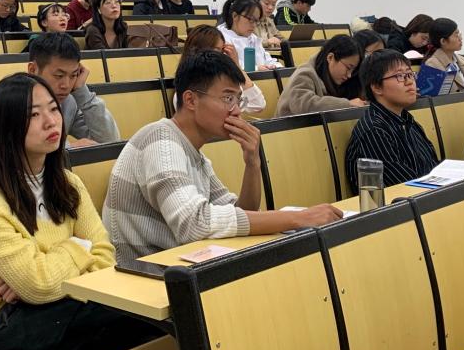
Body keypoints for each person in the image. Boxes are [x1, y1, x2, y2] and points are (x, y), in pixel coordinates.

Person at [0, 73, 156, 350]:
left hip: (70, 319)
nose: (51, 121)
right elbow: (37, 284)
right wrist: (78, 247)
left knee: (150, 338)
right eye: (33, 115)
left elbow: (105, 258)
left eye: (53, 109)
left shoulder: (68, 183)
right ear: (6, 126)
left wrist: (43, 280)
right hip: (8, 333)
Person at [103, 51, 342, 263]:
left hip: (179, 267)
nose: (236, 110)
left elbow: (240, 212)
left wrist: (252, 163)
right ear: (190, 100)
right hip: (141, 276)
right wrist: (297, 218)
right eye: (228, 98)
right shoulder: (160, 141)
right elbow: (194, 224)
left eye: (238, 99)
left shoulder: (195, 154)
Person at [0, 32, 120, 162]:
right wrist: (68, 149)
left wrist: (82, 92)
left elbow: (109, 141)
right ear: (32, 70)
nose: (66, 85)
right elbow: (0, 151)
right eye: (59, 75)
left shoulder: (69, 99)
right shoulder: (6, 96)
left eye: (73, 75)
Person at [345, 49, 438, 193]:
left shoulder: (408, 122)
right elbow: (404, 188)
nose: (409, 82)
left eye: (410, 74)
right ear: (377, 87)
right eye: (399, 76)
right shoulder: (374, 131)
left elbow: (433, 169)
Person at [179, 25, 266, 113]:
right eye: (216, 51)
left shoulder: (224, 81)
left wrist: (236, 66)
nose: (220, 57)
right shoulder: (187, 88)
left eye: (221, 51)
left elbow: (258, 104)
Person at [275, 35, 366, 116]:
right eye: (348, 68)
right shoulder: (304, 74)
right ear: (330, 57)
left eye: (353, 70)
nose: (349, 75)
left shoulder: (340, 80)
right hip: (290, 129)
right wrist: (346, 104)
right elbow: (303, 105)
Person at [217, 0, 278, 70]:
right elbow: (227, 67)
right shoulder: (221, 39)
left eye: (256, 21)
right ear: (235, 16)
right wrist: (256, 69)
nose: (254, 25)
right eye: (250, 19)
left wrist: (275, 66)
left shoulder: (253, 38)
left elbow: (267, 59)